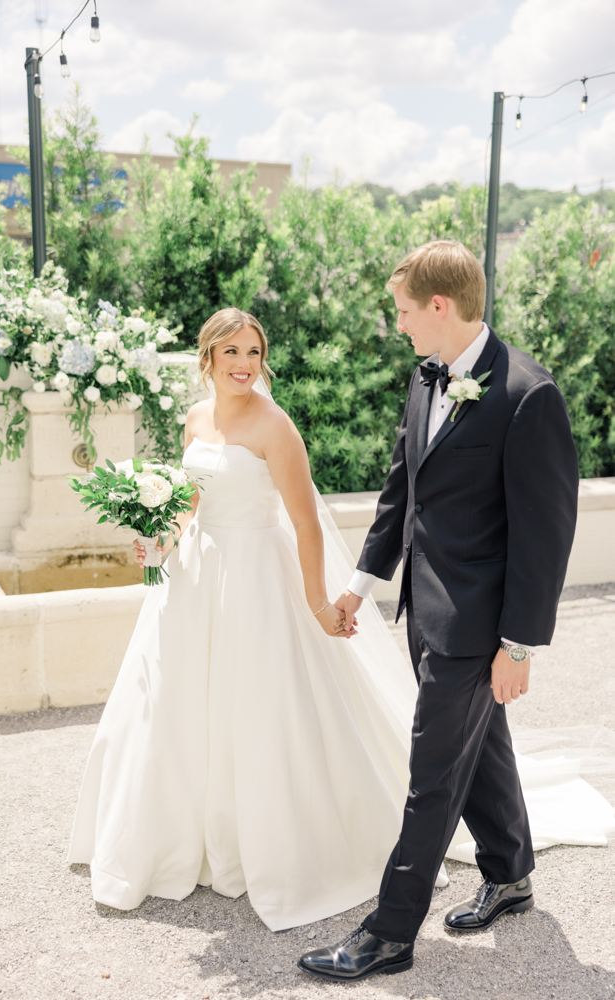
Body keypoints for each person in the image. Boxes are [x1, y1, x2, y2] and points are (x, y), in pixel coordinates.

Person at [68, 301, 613, 936]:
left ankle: (386, 884)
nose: (245, 364)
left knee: (267, 713)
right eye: (232, 352)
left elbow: (303, 525)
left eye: (253, 351)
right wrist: (158, 544)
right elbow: (191, 503)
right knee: (179, 704)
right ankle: (187, 838)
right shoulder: (195, 419)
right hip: (194, 580)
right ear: (208, 358)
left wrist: (320, 602)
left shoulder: (276, 428)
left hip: (257, 583)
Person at [297, 239, 584, 981]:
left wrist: (517, 646)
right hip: (422, 613)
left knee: (430, 774)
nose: (397, 326)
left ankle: (389, 933)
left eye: (401, 312)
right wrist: (359, 585)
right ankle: (509, 872)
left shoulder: (527, 394)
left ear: (438, 305)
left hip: (479, 625)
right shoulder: (428, 378)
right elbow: (403, 494)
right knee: (479, 750)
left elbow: (544, 536)